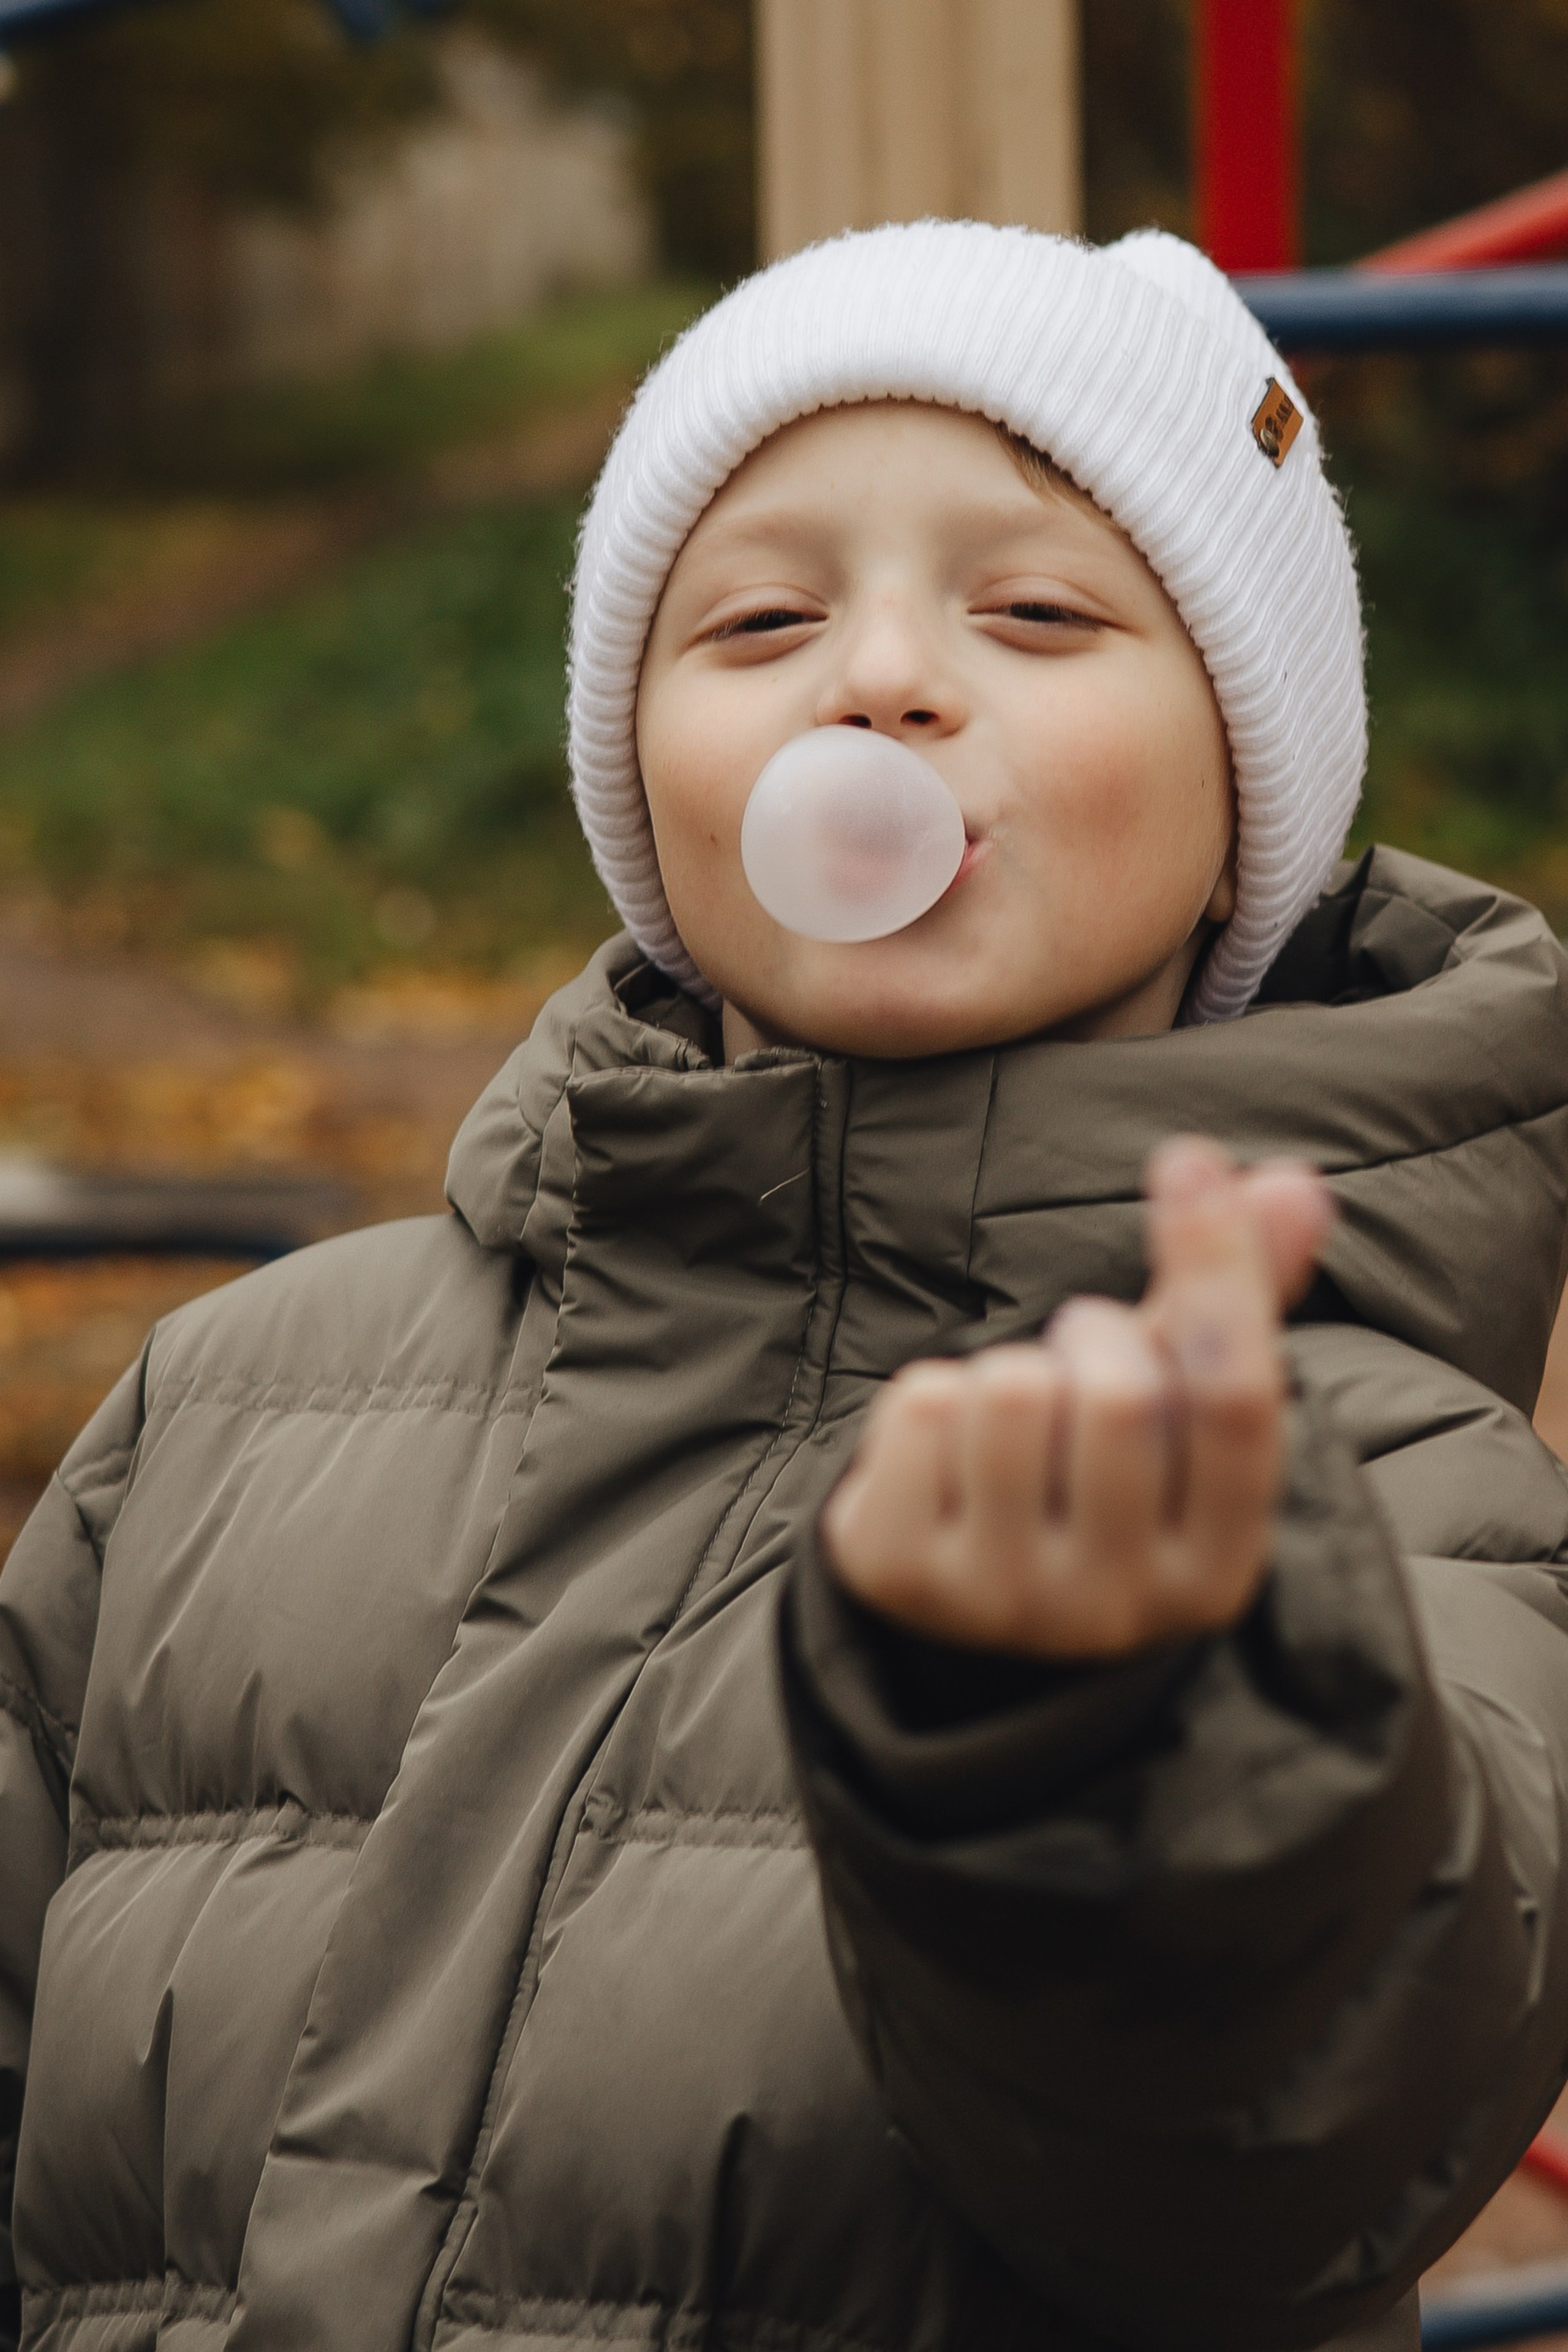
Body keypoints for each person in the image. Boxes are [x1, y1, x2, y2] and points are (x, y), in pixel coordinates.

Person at [2, 219, 1567, 2352]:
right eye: (758, 619)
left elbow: (1299, 2141)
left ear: (1246, 806)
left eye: (1035, 609)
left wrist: (1122, 1733)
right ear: (642, 780)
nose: (880, 682)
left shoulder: (1383, 1494)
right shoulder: (222, 1406)